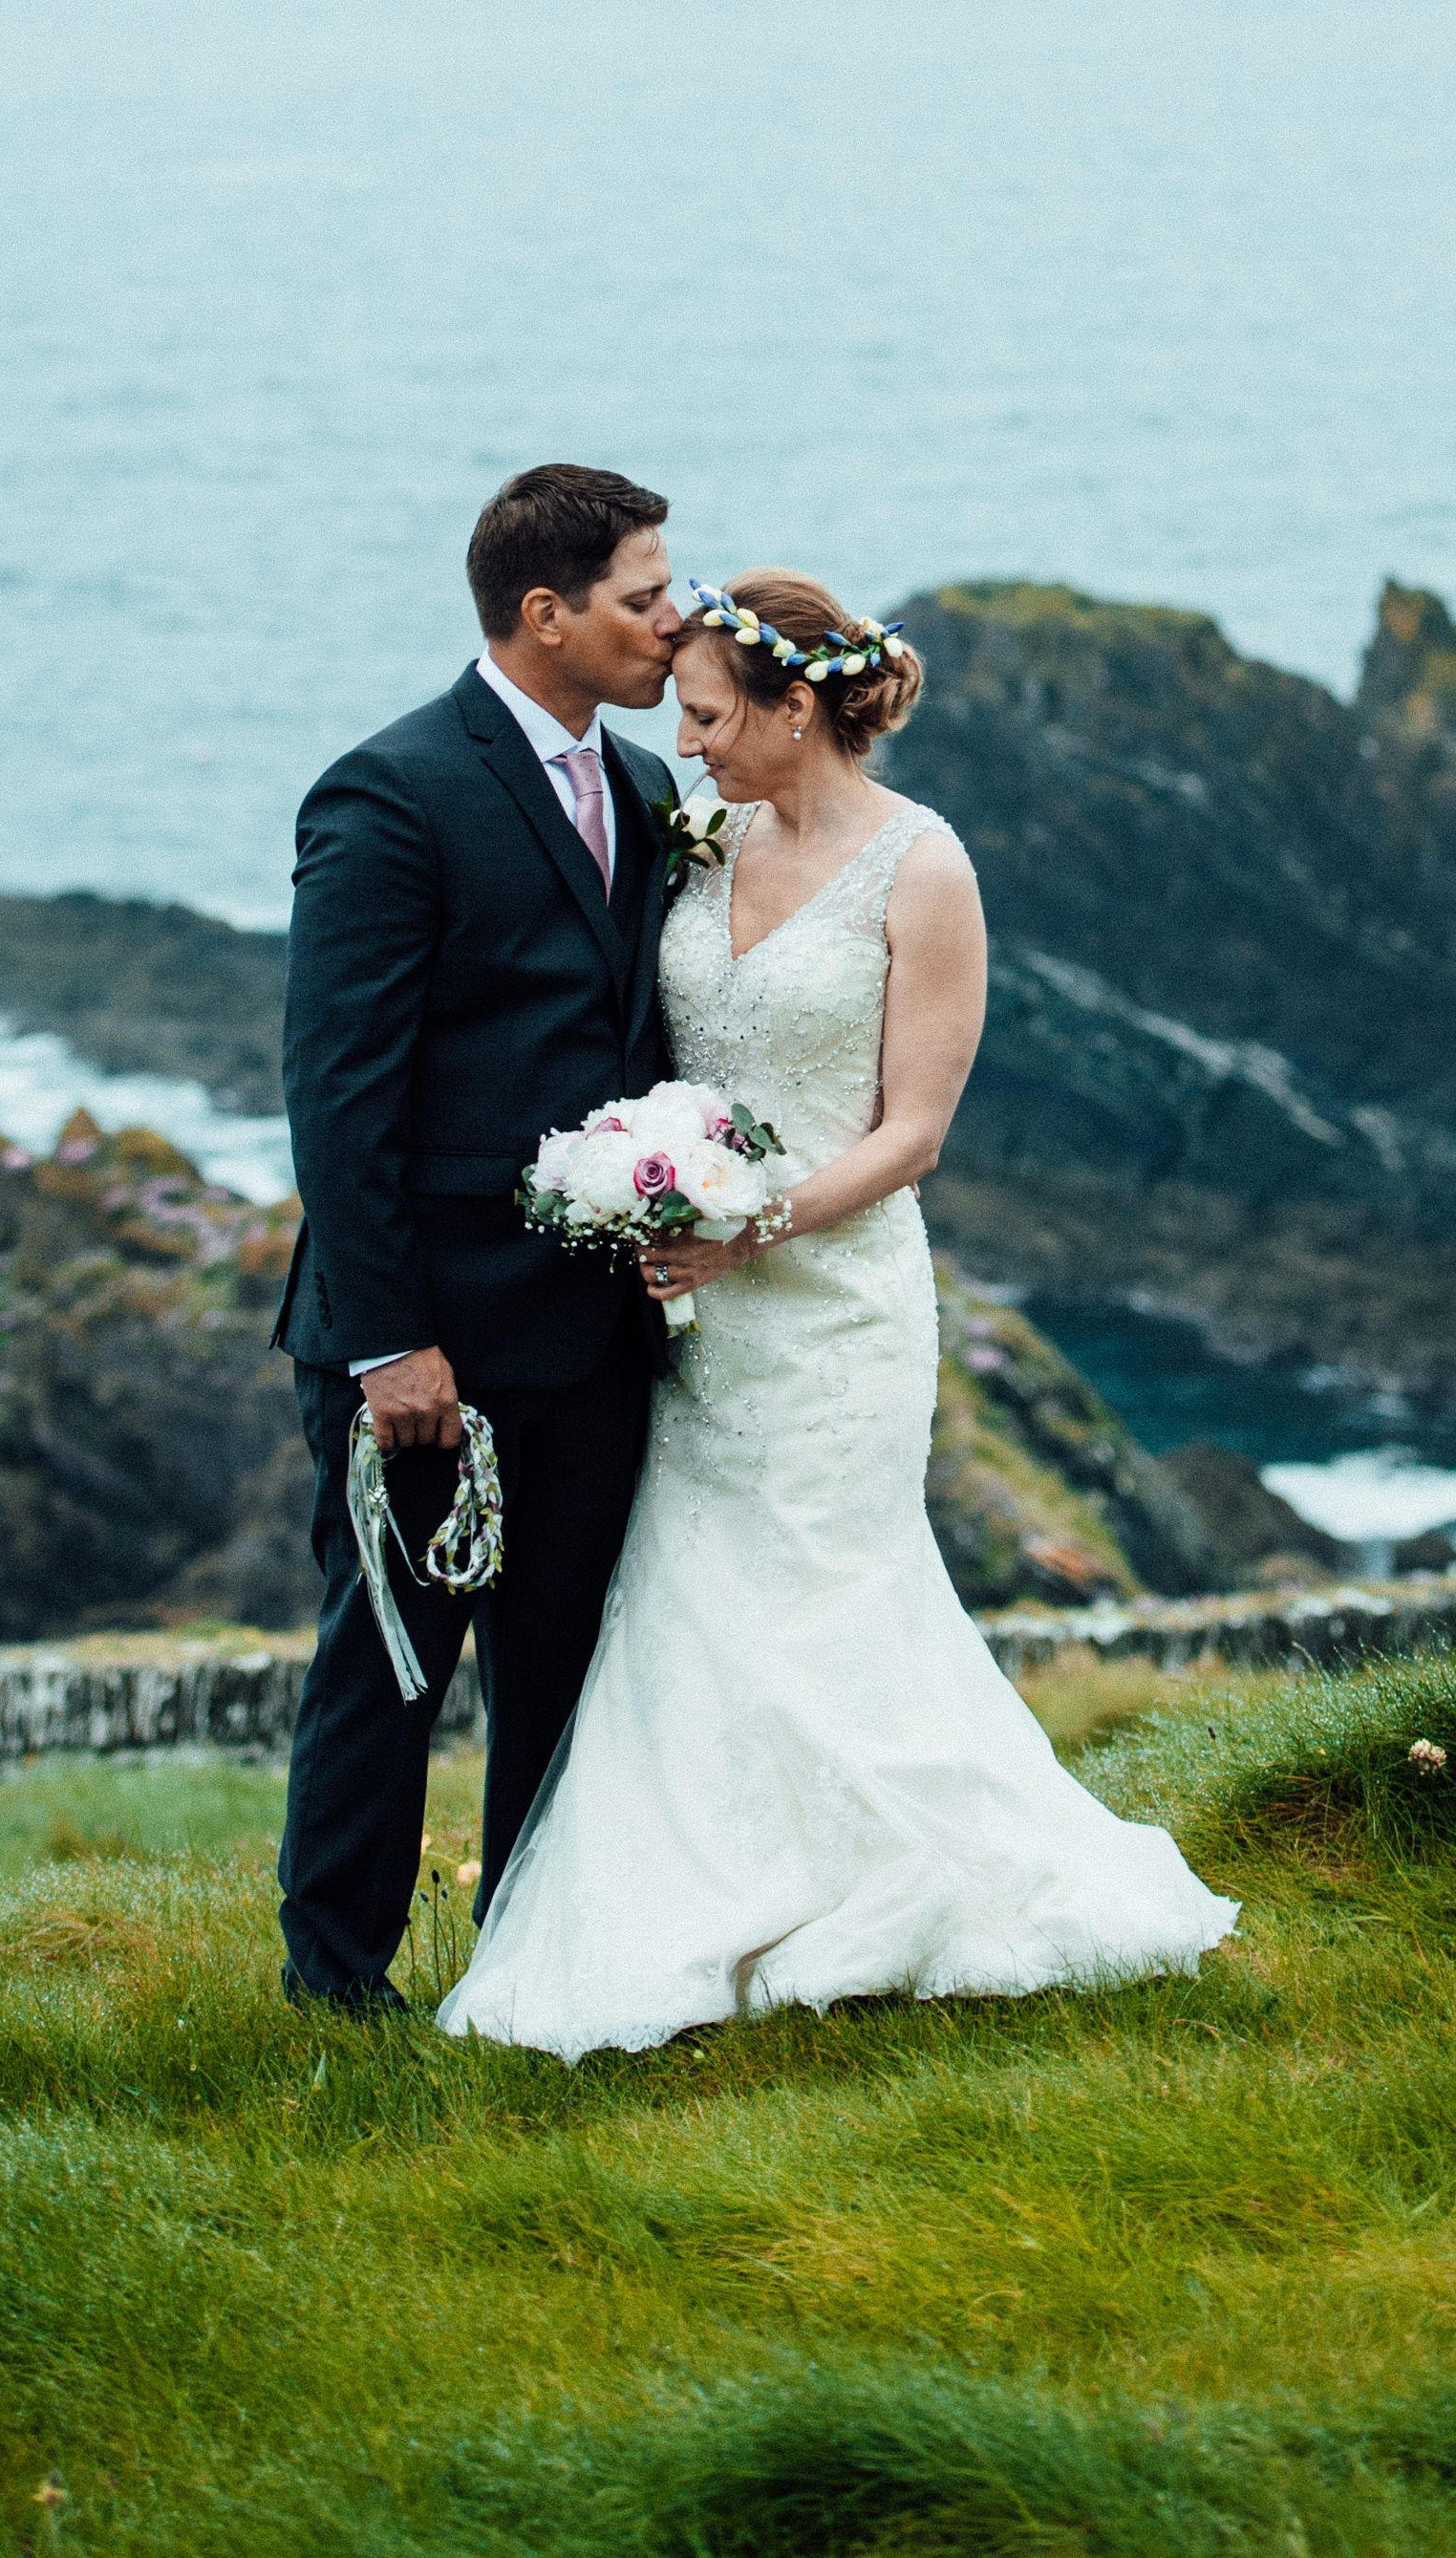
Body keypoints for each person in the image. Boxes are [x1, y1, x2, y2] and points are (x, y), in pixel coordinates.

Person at [438, 565, 1237, 2054]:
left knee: (831, 1587)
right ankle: (721, 1888)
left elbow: (913, 1129)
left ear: (797, 707)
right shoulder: (700, 839)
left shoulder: (924, 869)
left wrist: (754, 1225)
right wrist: (647, 1191)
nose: (685, 742)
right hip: (694, 1310)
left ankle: (912, 1884)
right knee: (693, 1595)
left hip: (837, 1305)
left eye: (710, 714)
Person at [272, 461, 681, 2011]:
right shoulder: (389, 792)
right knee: (388, 1665)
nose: (673, 622)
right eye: (643, 597)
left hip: (592, 1333)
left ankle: (529, 1973)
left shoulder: (645, 793)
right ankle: (337, 1988)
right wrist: (389, 1341)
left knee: (561, 1676)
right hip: (424, 1341)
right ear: (544, 613)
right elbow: (337, 1087)